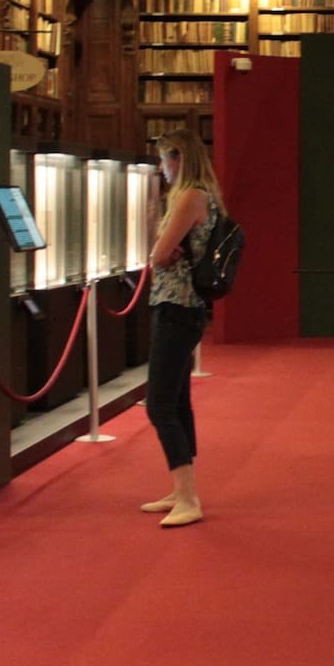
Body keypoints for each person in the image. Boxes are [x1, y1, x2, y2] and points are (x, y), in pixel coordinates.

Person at [140, 127, 223, 527]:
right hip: (181, 307)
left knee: (159, 404)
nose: (161, 168)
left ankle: (188, 497)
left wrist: (163, 251)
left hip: (177, 307)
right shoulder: (199, 197)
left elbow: (158, 253)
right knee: (176, 401)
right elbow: (163, 252)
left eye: (163, 159)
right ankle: (182, 488)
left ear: (179, 159)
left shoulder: (190, 197)